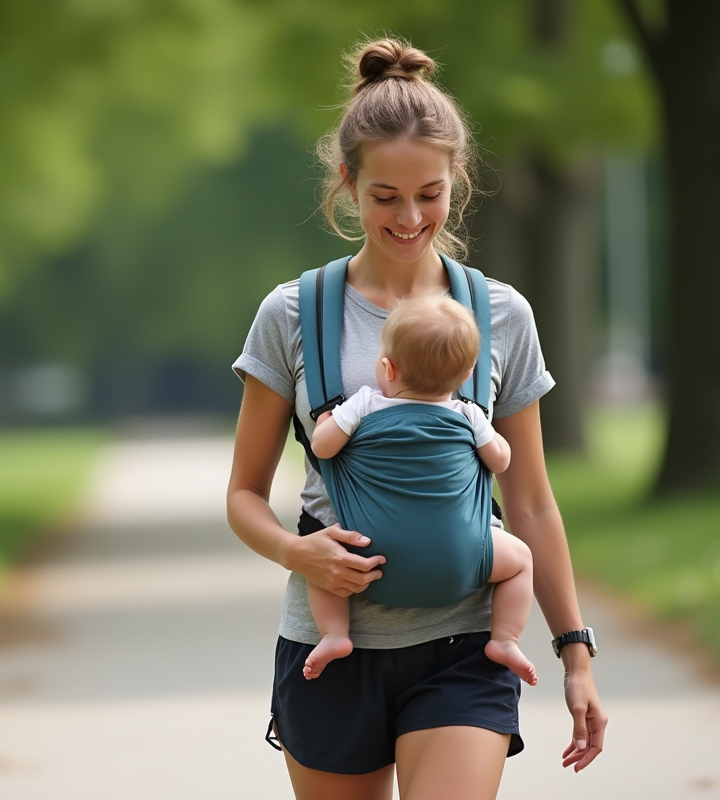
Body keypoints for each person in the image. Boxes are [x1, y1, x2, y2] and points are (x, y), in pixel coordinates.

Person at [226, 36, 606, 799]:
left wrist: (575, 652)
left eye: (429, 194)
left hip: (464, 647)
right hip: (328, 649)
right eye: (385, 197)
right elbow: (243, 496)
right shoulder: (292, 314)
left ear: (456, 181)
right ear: (347, 183)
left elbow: (530, 499)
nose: (409, 217)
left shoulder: (501, 314)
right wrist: (298, 555)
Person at [301, 293, 537, 688]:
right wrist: (493, 439)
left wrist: (328, 419)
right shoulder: (469, 413)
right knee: (521, 558)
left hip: (370, 559)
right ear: (464, 377)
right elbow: (500, 461)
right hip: (464, 560)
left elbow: (323, 447)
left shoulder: (364, 404)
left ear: (388, 368)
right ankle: (506, 639)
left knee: (320, 559)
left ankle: (335, 634)